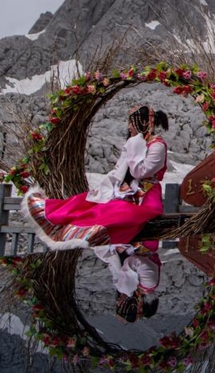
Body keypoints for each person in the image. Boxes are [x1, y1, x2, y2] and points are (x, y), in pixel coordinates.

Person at [22, 106, 169, 249]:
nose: (129, 126)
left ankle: (88, 234)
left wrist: (134, 145)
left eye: (131, 122)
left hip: (147, 196)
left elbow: (140, 172)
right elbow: (120, 169)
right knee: (84, 201)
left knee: (119, 213)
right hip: (125, 190)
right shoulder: (136, 142)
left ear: (142, 122)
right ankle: (50, 215)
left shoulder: (157, 146)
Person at [94, 241, 162, 323]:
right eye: (120, 306)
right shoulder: (149, 283)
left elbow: (114, 267)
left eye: (117, 305)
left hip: (124, 245)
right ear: (137, 305)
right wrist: (127, 287)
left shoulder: (124, 287)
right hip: (143, 242)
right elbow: (134, 261)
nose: (117, 302)